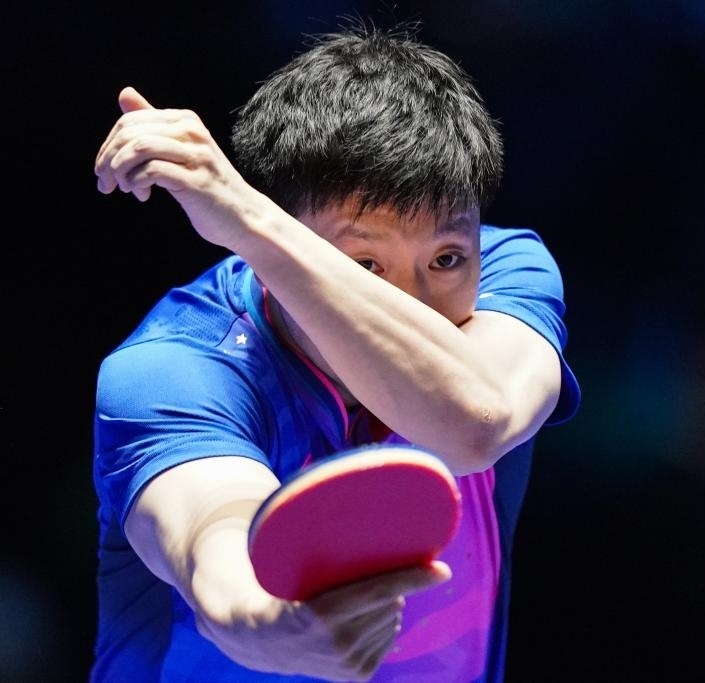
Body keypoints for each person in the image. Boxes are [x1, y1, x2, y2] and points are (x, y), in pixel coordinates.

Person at [90, 23, 580, 683]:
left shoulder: (509, 270)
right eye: (366, 264)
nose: (412, 305)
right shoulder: (175, 370)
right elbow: (220, 556)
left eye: (445, 259)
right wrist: (277, 626)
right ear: (276, 252)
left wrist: (244, 215)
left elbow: (476, 422)